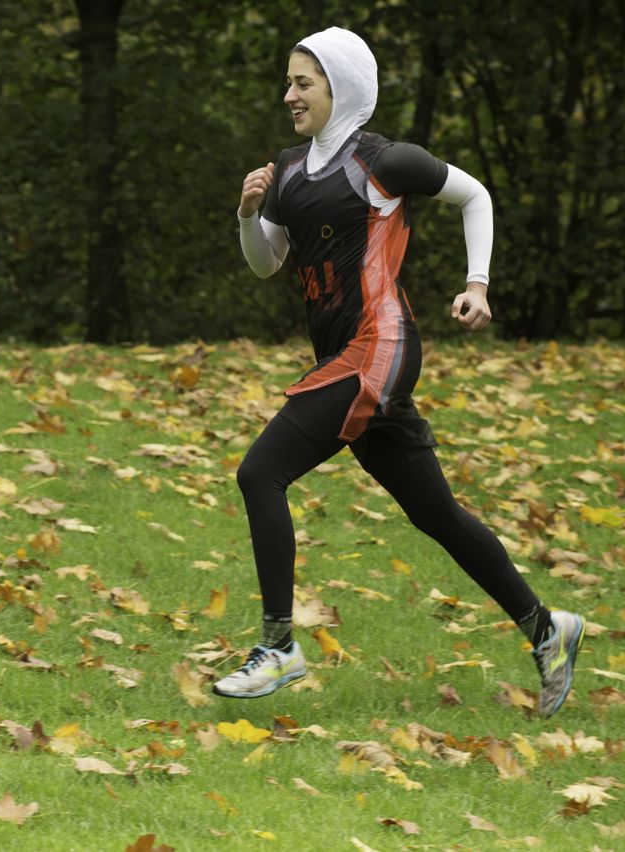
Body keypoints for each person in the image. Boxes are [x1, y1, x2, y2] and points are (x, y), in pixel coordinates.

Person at [212, 27, 585, 718]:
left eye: (304, 83)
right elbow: (266, 261)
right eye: (289, 82)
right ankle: (547, 629)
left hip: (378, 346)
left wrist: (478, 283)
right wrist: (247, 213)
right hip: (342, 357)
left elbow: (475, 196)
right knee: (434, 512)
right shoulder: (289, 172)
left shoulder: (386, 161)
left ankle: (277, 646)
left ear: (341, 87)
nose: (288, 94)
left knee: (258, 472)